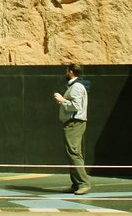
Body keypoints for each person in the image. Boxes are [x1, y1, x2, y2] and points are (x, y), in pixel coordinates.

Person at [53, 64, 90, 196]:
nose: (66, 73)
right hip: (73, 122)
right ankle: (76, 183)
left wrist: (62, 100)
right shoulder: (75, 86)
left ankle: (83, 183)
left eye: (67, 71)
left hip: (74, 123)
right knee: (72, 152)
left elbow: (76, 106)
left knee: (73, 152)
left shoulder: (76, 87)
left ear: (71, 72)